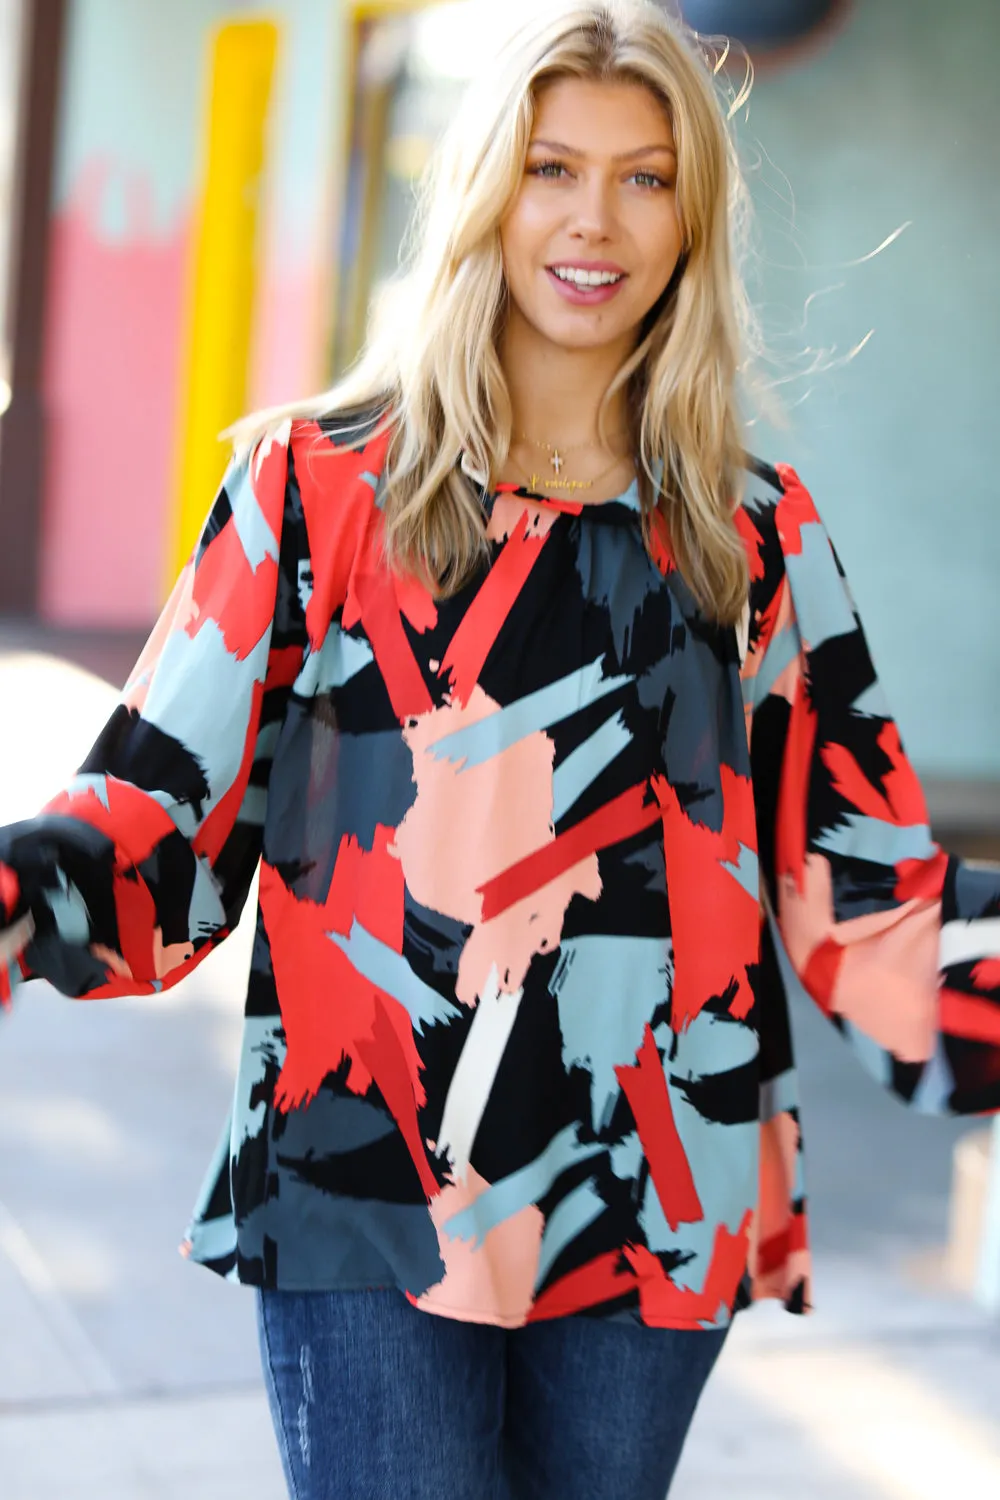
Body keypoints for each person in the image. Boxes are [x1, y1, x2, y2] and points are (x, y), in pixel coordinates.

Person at [1, 1, 998, 1495]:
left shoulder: (750, 532)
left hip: (657, 1189)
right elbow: (161, 806)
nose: (594, 218)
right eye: (552, 167)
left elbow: (862, 892)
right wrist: (24, 898)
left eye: (646, 176)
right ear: (487, 192)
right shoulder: (318, 487)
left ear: (692, 220)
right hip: (369, 1176)